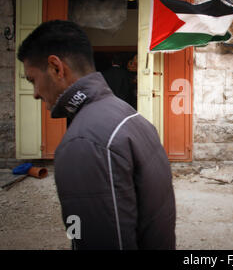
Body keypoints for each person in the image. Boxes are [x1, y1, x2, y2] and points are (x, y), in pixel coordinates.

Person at [17, 20, 176, 250]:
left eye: (33, 80)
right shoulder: (130, 116)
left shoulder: (83, 142)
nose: (34, 94)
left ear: (56, 68)